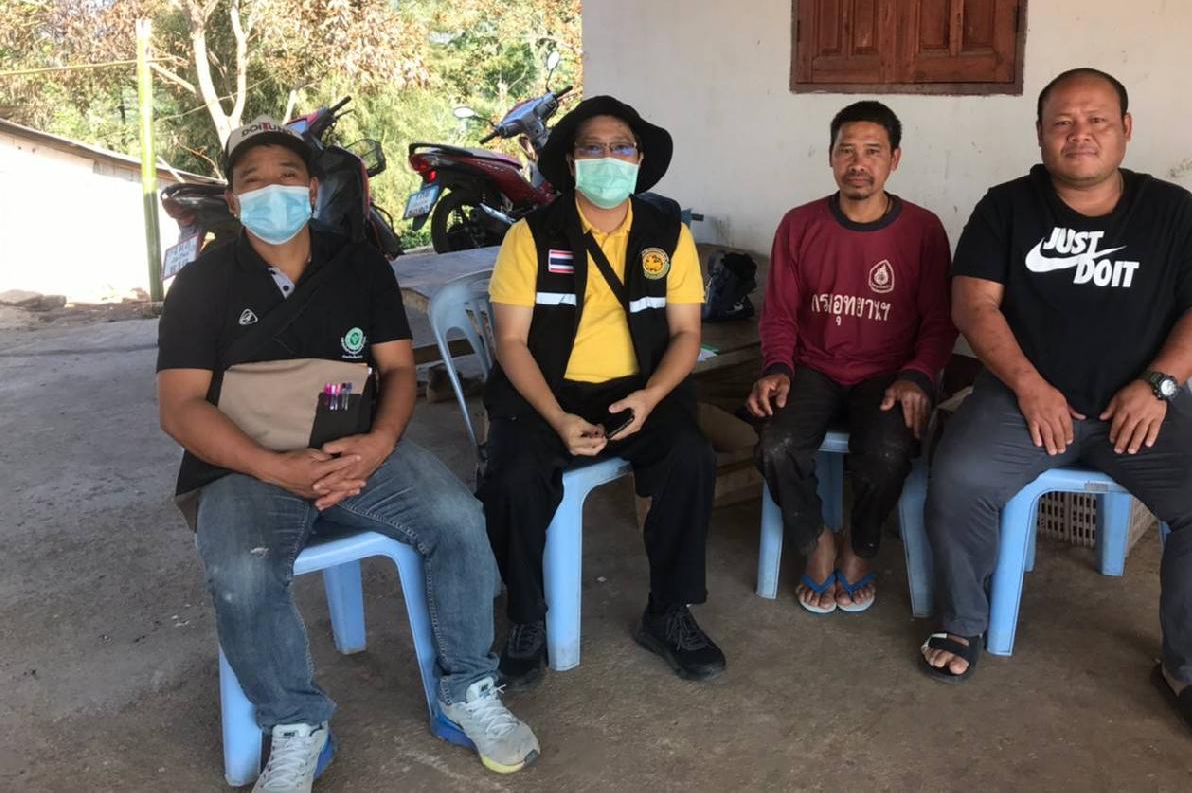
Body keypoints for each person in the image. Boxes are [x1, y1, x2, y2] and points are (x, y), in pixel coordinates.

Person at [157, 118, 538, 792]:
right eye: (252, 181)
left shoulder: (359, 264)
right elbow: (181, 407)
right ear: (234, 200)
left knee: (458, 520)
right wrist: (275, 467)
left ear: (311, 190)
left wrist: (378, 443)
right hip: (245, 462)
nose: (271, 191)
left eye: (286, 177)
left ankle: (468, 688)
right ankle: (296, 722)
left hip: (356, 444)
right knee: (241, 572)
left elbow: (396, 371)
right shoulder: (202, 283)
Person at [919, 69, 1192, 753]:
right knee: (959, 476)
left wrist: (1158, 384)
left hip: (1145, 405)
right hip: (1024, 400)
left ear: (1125, 129)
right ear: (1040, 134)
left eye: (1097, 119)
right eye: (1062, 122)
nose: (1080, 134)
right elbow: (972, 304)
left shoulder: (1172, 211)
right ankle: (963, 621)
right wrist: (1028, 385)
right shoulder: (1006, 207)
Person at [479, 95, 725, 685]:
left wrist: (652, 396)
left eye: (621, 148)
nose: (607, 158)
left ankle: (668, 611)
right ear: (570, 162)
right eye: (592, 148)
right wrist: (557, 416)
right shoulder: (532, 237)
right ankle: (525, 616)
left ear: (639, 160)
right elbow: (510, 342)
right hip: (546, 393)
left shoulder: (667, 234)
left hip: (638, 391)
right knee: (511, 477)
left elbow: (687, 333)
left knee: (691, 457)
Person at [748, 102, 957, 614]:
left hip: (889, 373)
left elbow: (940, 320)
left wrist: (918, 375)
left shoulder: (923, 230)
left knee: (887, 452)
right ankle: (817, 539)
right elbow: (780, 314)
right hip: (813, 368)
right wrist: (777, 367)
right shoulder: (799, 224)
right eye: (847, 150)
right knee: (776, 444)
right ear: (830, 156)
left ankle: (860, 547)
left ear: (895, 159)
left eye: (873, 151)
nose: (858, 163)